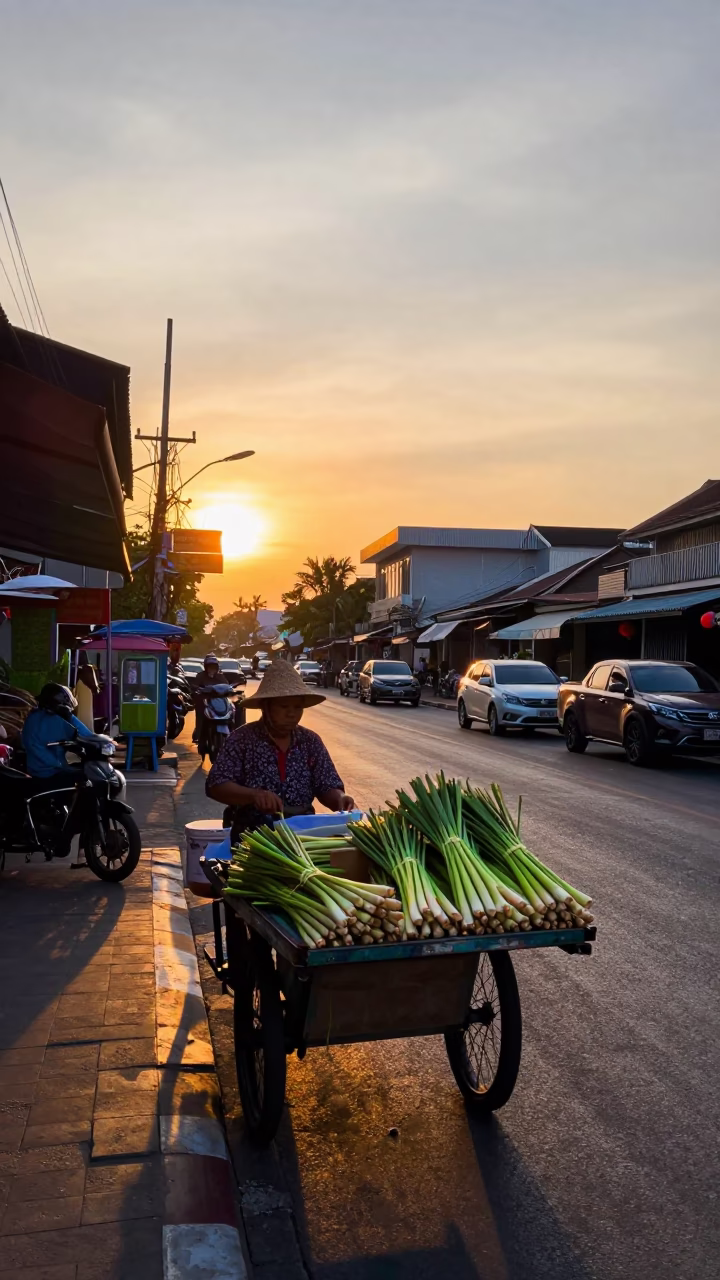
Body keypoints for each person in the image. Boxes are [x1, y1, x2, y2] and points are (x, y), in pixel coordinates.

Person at [206, 660, 354, 839]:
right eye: (284, 706)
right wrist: (254, 796)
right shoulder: (241, 739)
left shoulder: (310, 741)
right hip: (254, 838)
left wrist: (340, 798)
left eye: (297, 707)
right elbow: (216, 785)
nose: (292, 713)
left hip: (304, 837)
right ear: (266, 707)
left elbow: (327, 785)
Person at [22, 684, 95, 783]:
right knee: (86, 778)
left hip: (46, 769)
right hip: (47, 772)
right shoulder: (51, 719)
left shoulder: (36, 716)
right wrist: (69, 717)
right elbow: (86, 735)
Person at [192, 653, 222, 743]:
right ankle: (198, 734)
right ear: (206, 667)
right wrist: (197, 689)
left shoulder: (220, 676)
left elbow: (226, 685)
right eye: (210, 667)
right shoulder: (200, 676)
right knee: (200, 714)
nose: (212, 669)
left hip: (217, 701)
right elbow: (194, 686)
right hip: (204, 701)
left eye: (214, 667)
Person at [74, 651, 100, 730]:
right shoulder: (92, 684)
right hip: (89, 718)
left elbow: (75, 698)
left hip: (80, 718)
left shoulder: (80, 682)